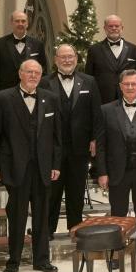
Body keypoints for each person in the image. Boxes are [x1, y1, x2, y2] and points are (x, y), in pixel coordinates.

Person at [0, 59, 62, 272]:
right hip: (15, 167)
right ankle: (14, 261)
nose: (33, 76)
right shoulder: (2, 99)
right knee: (17, 216)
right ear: (20, 74)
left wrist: (56, 164)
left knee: (42, 215)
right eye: (28, 72)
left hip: (43, 167)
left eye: (37, 73)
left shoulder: (51, 99)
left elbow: (57, 136)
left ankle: (42, 260)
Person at [96, 70, 136, 267]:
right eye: (127, 84)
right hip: (117, 171)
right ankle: (117, 253)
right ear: (120, 86)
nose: (130, 87)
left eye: (134, 84)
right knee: (118, 214)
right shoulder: (106, 110)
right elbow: (101, 144)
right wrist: (102, 172)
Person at [40, 44, 103, 235]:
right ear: (55, 60)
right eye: (63, 57)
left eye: (70, 56)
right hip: (53, 148)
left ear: (76, 58)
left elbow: (96, 114)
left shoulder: (89, 81)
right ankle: (47, 233)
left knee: (76, 191)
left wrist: (94, 139)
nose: (67, 60)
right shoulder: (44, 82)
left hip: (79, 147)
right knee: (52, 193)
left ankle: (75, 230)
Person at [84, 15, 136, 104]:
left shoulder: (134, 49)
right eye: (110, 26)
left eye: (117, 26)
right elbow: (88, 77)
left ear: (122, 28)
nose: (114, 28)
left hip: (128, 99)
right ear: (105, 28)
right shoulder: (94, 50)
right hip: (102, 100)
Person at [0, 11, 47, 92]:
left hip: (31, 92)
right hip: (6, 93)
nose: (20, 24)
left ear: (27, 24)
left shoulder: (38, 45)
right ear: (11, 23)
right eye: (17, 21)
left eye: (23, 21)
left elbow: (43, 71)